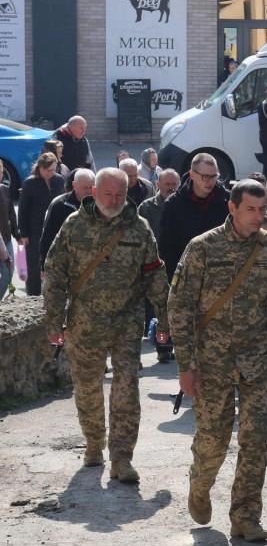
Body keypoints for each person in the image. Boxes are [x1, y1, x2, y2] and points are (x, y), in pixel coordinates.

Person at [169, 179, 267, 542]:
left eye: (262, 209)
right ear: (233, 208)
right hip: (212, 363)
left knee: (256, 441)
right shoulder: (202, 248)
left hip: (259, 358)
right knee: (213, 440)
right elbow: (180, 308)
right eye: (251, 209)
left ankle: (245, 516)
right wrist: (185, 365)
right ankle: (200, 483)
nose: (259, 216)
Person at [43, 167, 170, 480]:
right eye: (108, 194)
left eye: (120, 194)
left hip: (126, 324)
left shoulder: (139, 229)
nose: (114, 201)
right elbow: (55, 274)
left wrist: (165, 319)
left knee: (127, 390)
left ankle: (122, 458)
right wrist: (53, 322)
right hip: (84, 323)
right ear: (93, 193)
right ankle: (94, 444)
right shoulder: (73, 226)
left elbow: (155, 275)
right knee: (87, 388)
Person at [157, 153, 231, 280]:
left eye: (214, 176)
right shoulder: (174, 204)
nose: (211, 182)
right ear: (192, 174)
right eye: (205, 177)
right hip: (187, 278)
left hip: (221, 277)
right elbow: (166, 249)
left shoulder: (227, 201)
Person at [138, 168, 181, 362]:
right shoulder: (146, 208)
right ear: (158, 185)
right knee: (158, 307)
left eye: (174, 185)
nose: (171, 189)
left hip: (178, 264)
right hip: (154, 266)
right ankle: (162, 348)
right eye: (167, 185)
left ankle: (172, 346)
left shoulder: (183, 206)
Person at [17, 153, 66, 295]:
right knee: (33, 267)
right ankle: (33, 296)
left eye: (53, 170)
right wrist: (24, 234)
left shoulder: (59, 180)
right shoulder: (30, 182)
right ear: (40, 168)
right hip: (34, 231)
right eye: (47, 171)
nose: (50, 174)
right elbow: (23, 209)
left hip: (54, 230)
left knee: (53, 265)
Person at [40, 168, 96, 266]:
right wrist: (44, 265)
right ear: (74, 185)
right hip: (64, 263)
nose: (88, 191)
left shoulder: (99, 205)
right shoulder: (59, 205)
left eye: (91, 187)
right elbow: (47, 237)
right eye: (85, 187)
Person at [0, 176, 18, 295]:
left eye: (1, 171)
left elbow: (11, 213)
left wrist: (17, 235)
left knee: (8, 271)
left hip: (5, 238)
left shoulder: (4, 189)